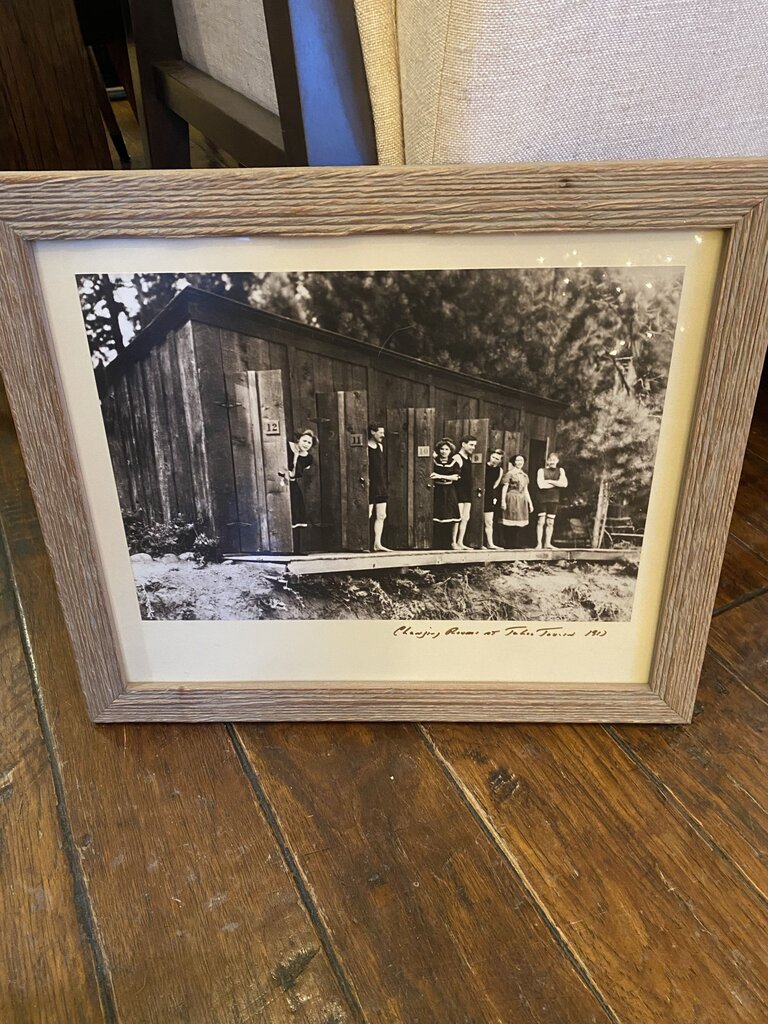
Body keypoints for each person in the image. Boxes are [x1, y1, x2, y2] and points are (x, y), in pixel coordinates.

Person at [286, 429, 316, 547]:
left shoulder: (308, 458)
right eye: (304, 441)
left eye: (309, 443)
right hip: (280, 481)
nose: (306, 444)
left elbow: (297, 472)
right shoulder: (287, 447)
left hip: (292, 483)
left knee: (297, 508)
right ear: (298, 439)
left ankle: (296, 546)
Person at [430, 438, 461, 549]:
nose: (444, 451)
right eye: (442, 449)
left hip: (449, 490)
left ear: (450, 451)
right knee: (437, 516)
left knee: (454, 516)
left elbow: (455, 477)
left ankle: (453, 542)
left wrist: (440, 476)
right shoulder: (433, 461)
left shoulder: (454, 462)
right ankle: (436, 543)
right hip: (437, 490)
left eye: (446, 449)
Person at [500, 453, 534, 549]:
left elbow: (526, 490)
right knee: (510, 520)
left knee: (518, 521)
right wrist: (503, 501)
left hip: (521, 499)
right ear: (514, 462)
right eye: (518, 460)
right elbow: (505, 487)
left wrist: (530, 503)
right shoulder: (510, 474)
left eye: (521, 460)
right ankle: (508, 543)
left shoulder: (524, 475)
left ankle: (514, 543)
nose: (520, 462)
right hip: (511, 498)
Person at [535, 451, 568, 550]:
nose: (552, 461)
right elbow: (541, 485)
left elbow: (564, 484)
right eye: (550, 460)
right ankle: (539, 544)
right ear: (547, 461)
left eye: (554, 460)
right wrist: (557, 483)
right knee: (541, 521)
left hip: (554, 499)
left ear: (557, 461)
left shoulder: (561, 470)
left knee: (550, 522)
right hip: (542, 499)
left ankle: (547, 543)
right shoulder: (541, 471)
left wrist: (549, 481)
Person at [367, 423, 390, 551]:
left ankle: (377, 544)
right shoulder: (365, 447)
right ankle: (363, 543)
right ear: (372, 432)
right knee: (368, 514)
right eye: (380, 432)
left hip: (380, 485)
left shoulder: (380, 447)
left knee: (381, 515)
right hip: (370, 485)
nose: (383, 435)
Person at [454, 435, 477, 549]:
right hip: (458, 492)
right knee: (457, 518)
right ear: (463, 444)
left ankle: (460, 542)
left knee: (465, 517)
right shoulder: (457, 458)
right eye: (471, 445)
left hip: (467, 492)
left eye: (474, 445)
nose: (473, 447)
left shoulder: (469, 458)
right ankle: (453, 542)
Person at [483, 449, 504, 549]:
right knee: (477, 519)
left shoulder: (499, 470)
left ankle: (490, 543)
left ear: (500, 460)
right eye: (493, 457)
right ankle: (479, 543)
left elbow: (496, 484)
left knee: (489, 521)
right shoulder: (483, 466)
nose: (494, 460)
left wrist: (492, 495)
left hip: (490, 495)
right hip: (479, 493)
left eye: (497, 459)